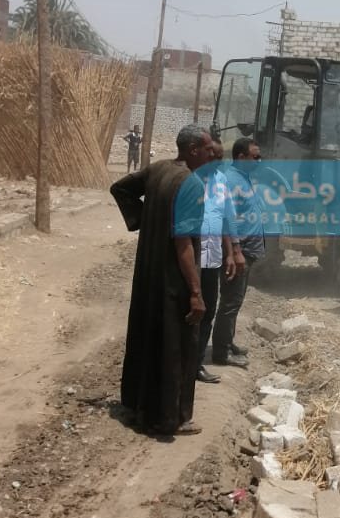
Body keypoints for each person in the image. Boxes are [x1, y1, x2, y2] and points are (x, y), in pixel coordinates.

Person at [109, 124, 214, 437]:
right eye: (207, 149)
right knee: (176, 347)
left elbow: (120, 189)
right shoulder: (190, 184)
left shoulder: (158, 169)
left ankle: (137, 405)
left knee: (146, 338)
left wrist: (146, 219)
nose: (211, 154)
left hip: (149, 275)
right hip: (173, 280)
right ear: (193, 150)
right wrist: (195, 292)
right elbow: (184, 244)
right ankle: (171, 418)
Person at [209, 138, 264, 368]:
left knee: (236, 300)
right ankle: (221, 353)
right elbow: (226, 219)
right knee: (230, 302)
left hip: (247, 249)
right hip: (238, 250)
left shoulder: (244, 177)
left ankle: (227, 342)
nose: (259, 161)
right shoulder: (231, 180)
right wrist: (234, 251)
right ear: (241, 157)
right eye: (255, 157)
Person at [196, 140, 241, 381]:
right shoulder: (189, 179)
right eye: (213, 155)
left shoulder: (221, 180)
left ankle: (196, 364)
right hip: (189, 257)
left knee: (208, 309)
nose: (217, 160)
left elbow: (226, 218)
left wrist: (231, 252)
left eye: (221, 156)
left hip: (212, 257)